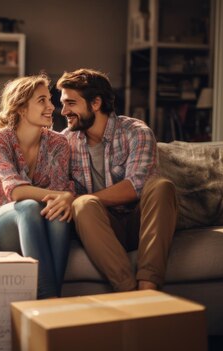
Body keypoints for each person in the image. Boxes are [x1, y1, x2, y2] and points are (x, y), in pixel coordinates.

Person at [53, 68, 177, 291]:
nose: (63, 111)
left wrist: (84, 198)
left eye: (71, 103)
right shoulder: (66, 141)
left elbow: (136, 186)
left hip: (141, 223)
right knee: (82, 204)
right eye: (63, 103)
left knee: (161, 186)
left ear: (96, 103)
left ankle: (149, 288)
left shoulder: (136, 131)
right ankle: (129, 292)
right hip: (102, 229)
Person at [0, 74, 75, 299]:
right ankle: (50, 298)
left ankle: (49, 301)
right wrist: (63, 195)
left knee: (59, 213)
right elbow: (15, 191)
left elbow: (58, 198)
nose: (51, 106)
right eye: (41, 100)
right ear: (21, 108)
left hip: (41, 221)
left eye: (49, 100)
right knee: (27, 206)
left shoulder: (58, 144)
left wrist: (64, 198)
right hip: (1, 220)